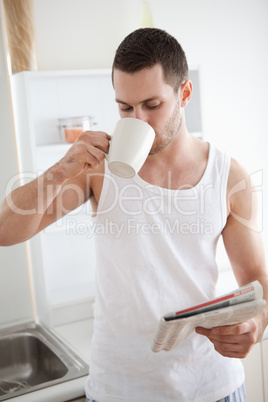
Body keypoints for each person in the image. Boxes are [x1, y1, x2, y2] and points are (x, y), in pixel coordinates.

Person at [0, 28, 267, 402]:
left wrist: (255, 323)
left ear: (185, 94)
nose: (137, 119)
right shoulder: (96, 169)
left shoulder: (229, 176)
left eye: (152, 105)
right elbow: (5, 231)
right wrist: (59, 170)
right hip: (120, 390)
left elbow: (256, 278)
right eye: (125, 108)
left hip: (213, 387)